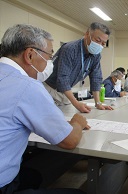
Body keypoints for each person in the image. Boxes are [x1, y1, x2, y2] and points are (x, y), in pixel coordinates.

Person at [0, 24, 89, 194]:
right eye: (49, 55)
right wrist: (77, 122)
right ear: (30, 55)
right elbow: (69, 141)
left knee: (33, 175)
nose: (50, 63)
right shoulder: (27, 86)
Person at [44, 22, 113, 113]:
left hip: (65, 92)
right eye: (97, 40)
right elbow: (62, 79)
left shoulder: (96, 55)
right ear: (87, 34)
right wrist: (76, 104)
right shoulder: (70, 49)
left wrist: (98, 103)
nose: (99, 45)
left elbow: (96, 78)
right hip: (50, 89)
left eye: (103, 43)